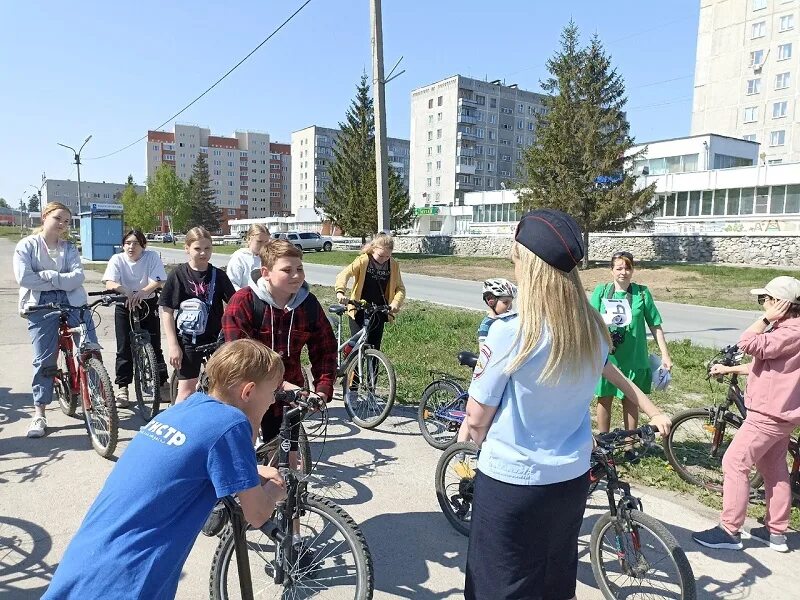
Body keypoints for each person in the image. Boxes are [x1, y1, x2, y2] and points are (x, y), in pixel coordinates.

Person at [463, 209, 671, 600]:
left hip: (512, 482)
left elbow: (475, 421)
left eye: (515, 260)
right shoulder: (592, 328)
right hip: (570, 481)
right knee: (553, 581)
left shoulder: (510, 331)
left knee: (498, 584)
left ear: (527, 265)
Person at [41, 339, 288, 599]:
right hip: (130, 580)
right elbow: (258, 513)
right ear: (248, 392)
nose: (273, 401)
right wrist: (274, 490)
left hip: (85, 564)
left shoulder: (185, 409)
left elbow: (186, 465)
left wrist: (251, 472)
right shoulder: (232, 423)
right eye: (271, 393)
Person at [693, 276, 800, 553]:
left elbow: (747, 343)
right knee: (773, 469)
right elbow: (767, 362)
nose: (762, 304)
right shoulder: (789, 331)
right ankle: (775, 532)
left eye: (765, 299)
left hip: (768, 413)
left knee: (734, 463)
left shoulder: (790, 331)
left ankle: (730, 531)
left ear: (781, 304)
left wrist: (765, 320)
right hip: (782, 414)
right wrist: (730, 371)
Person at [222, 240, 336, 451]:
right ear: (266, 272)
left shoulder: (308, 304)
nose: (296, 275)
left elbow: (325, 349)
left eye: (299, 269)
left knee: (288, 456)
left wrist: (322, 388)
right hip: (248, 393)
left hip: (289, 397)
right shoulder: (243, 302)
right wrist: (279, 385)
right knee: (244, 455)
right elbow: (237, 359)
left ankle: (290, 481)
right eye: (287, 270)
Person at [14, 202, 99, 439]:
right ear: (45, 217)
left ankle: (97, 392)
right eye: (58, 218)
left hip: (72, 299)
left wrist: (49, 276)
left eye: (66, 221)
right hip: (39, 303)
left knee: (89, 347)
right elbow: (24, 278)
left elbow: (78, 277)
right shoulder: (27, 246)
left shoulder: (69, 248)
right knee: (44, 359)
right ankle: (39, 413)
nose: (62, 224)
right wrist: (60, 279)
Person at [590, 251, 673, 434]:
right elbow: (589, 321)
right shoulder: (601, 291)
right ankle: (604, 442)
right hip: (608, 356)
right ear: (611, 270)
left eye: (628, 268)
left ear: (633, 270)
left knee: (631, 399)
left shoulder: (642, 293)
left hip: (634, 357)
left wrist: (665, 355)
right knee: (604, 398)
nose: (623, 272)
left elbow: (655, 325)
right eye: (619, 268)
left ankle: (630, 444)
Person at [159, 226, 236, 403]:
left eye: (207, 248)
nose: (203, 253)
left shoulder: (219, 275)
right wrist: (173, 345)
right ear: (187, 249)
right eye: (197, 249)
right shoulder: (178, 274)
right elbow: (167, 311)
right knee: (186, 391)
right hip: (187, 340)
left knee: (220, 389)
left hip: (216, 339)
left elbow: (234, 305)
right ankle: (179, 424)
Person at [102, 229, 168, 407]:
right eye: (128, 243)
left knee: (155, 346)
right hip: (124, 305)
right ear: (123, 245)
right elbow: (109, 282)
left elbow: (158, 280)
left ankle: (162, 383)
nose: (131, 247)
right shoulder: (117, 259)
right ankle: (122, 387)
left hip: (147, 303)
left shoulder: (151, 257)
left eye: (136, 243)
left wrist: (143, 292)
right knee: (124, 348)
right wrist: (126, 292)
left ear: (143, 245)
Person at [334, 232, 406, 353]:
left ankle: (373, 372)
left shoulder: (393, 265)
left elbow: (400, 288)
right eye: (380, 255)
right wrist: (340, 292)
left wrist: (395, 303)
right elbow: (344, 274)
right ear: (373, 249)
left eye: (387, 256)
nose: (383, 260)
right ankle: (353, 369)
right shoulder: (363, 261)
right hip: (359, 307)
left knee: (374, 346)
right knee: (356, 345)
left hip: (379, 309)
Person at [226, 223, 270, 290]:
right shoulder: (239, 258)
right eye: (259, 241)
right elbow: (232, 284)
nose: (263, 245)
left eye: (266, 242)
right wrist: (246, 298)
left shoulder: (270, 258)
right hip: (246, 298)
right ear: (249, 239)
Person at [477, 277, 517, 344]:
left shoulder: (510, 318)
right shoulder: (486, 325)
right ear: (491, 301)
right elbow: (483, 349)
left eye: (511, 302)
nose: (510, 307)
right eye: (505, 302)